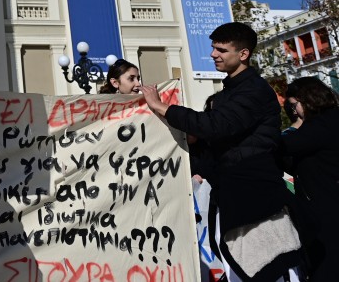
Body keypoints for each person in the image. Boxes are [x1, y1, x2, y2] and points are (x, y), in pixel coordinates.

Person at [142, 22, 303, 281]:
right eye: (213, 48)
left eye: (221, 49)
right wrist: (194, 141)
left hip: (255, 196)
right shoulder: (231, 90)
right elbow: (219, 138)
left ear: (243, 54)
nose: (213, 54)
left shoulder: (253, 90)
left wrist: (162, 107)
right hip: (236, 193)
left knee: (269, 264)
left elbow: (216, 126)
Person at [281, 77, 339, 280]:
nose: (294, 112)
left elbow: (285, 147)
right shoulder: (327, 122)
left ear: (308, 100)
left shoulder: (322, 125)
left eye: (294, 105)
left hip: (327, 210)